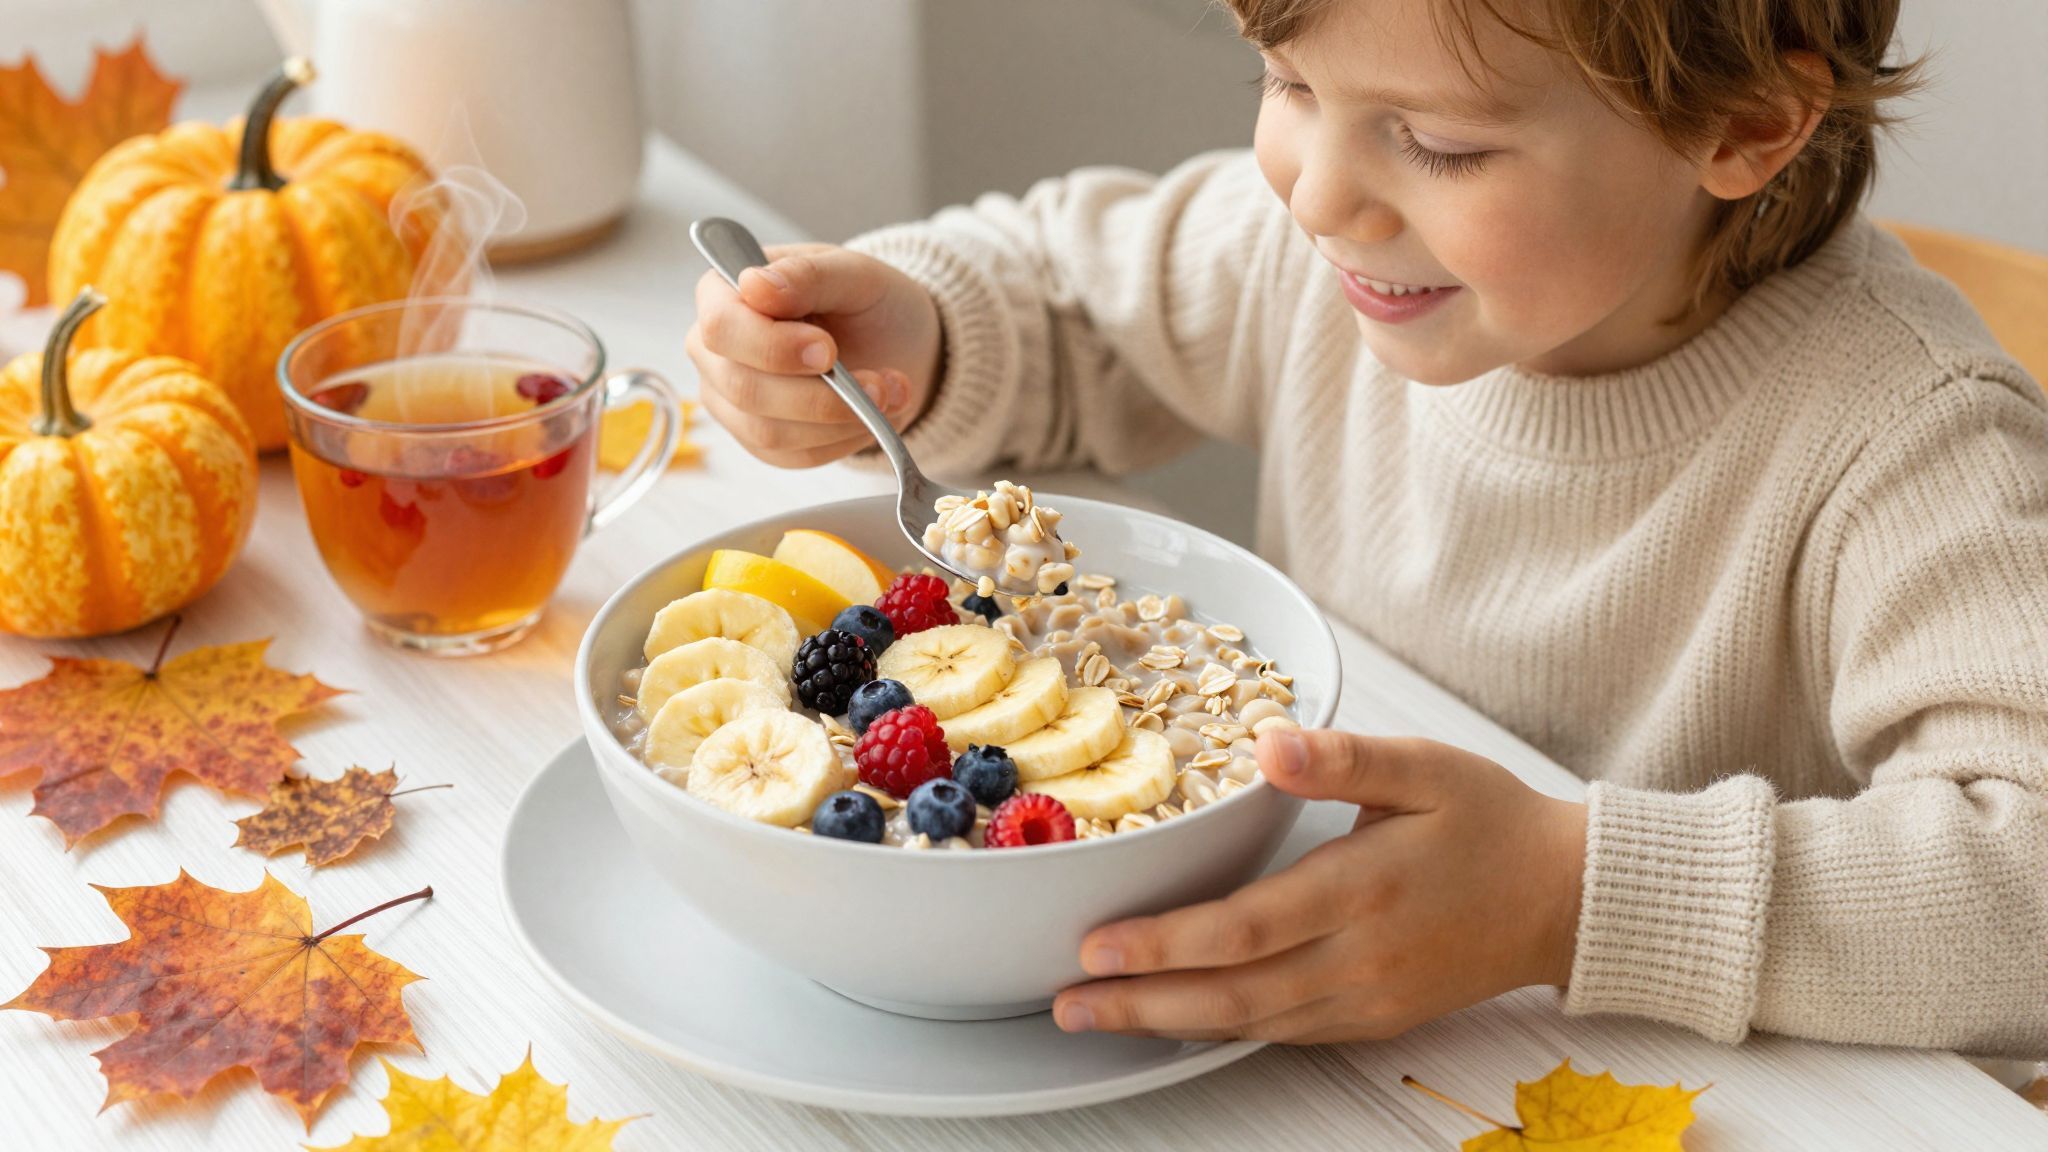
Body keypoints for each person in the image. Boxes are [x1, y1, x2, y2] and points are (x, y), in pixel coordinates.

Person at [686, 0, 2048, 1055]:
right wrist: (919, 338)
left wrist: (1564, 896)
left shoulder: (1909, 434)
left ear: (1744, 125)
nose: (1316, 194)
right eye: (1289, 84)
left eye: (1442, 143)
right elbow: (1063, 301)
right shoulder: (1330, 251)